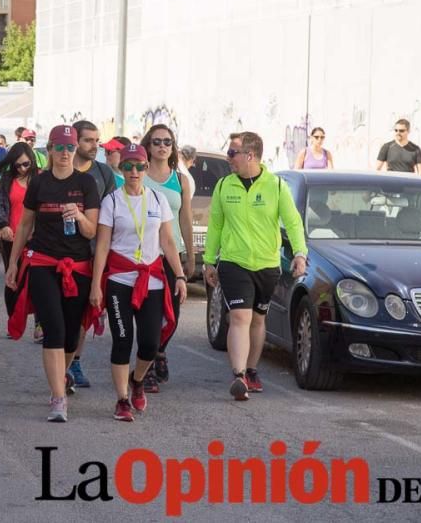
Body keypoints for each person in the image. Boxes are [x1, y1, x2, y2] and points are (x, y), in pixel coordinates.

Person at [5, 126, 100, 422]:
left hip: (78, 266)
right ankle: (58, 397)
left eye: (69, 148)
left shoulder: (86, 183)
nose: (64, 153)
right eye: (59, 148)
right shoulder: (39, 183)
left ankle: (63, 374)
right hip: (44, 263)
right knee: (54, 331)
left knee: (72, 336)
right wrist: (13, 264)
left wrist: (80, 215)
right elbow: (24, 225)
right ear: (49, 150)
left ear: (76, 150)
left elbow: (92, 231)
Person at [203, 132, 307, 401]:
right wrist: (209, 261)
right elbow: (215, 225)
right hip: (234, 262)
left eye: (232, 153)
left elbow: (293, 222)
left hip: (267, 264)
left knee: (258, 319)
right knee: (239, 317)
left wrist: (300, 254)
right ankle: (238, 376)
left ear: (250, 155)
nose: (228, 159)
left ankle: (251, 369)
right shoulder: (225, 185)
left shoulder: (276, 186)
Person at [90, 144, 188, 421]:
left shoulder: (158, 200)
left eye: (139, 167)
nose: (134, 172)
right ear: (121, 169)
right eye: (129, 166)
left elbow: (168, 241)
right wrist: (97, 284)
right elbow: (103, 245)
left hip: (152, 280)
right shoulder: (112, 201)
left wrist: (180, 275)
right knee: (122, 339)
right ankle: (122, 399)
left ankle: (137, 379)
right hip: (120, 279)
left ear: (146, 169)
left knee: (149, 343)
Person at [138, 124, 195, 392]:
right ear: (148, 145)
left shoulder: (180, 180)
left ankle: (160, 350)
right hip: (143, 255)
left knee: (173, 310)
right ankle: (146, 366)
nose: (162, 146)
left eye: (168, 142)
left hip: (173, 254)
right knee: (148, 312)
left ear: (173, 147)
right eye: (157, 141)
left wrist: (191, 257)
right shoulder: (138, 175)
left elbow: (185, 220)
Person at [68, 120, 119, 388]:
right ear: (75, 141)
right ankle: (61, 362)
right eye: (88, 140)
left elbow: (112, 215)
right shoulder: (60, 169)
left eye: (97, 140)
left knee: (81, 314)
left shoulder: (104, 173)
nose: (94, 145)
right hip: (59, 254)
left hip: (91, 254)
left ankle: (74, 362)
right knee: (62, 315)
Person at [0, 142, 39, 328]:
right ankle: (13, 321)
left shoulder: (40, 179)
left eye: (26, 164)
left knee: (38, 281)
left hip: (36, 240)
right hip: (11, 238)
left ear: (32, 161)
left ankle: (39, 324)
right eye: (17, 165)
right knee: (13, 279)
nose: (21, 169)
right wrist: (3, 226)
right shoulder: (6, 179)